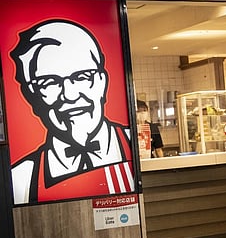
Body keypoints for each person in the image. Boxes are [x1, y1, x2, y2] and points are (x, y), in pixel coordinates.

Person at [10, 20, 134, 205]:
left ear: (102, 82)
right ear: (31, 96)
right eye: (49, 82)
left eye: (82, 77)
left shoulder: (134, 146)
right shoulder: (22, 178)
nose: (70, 95)